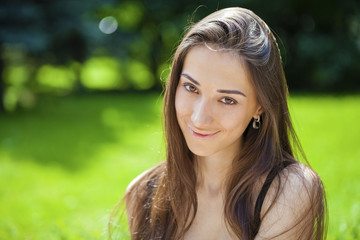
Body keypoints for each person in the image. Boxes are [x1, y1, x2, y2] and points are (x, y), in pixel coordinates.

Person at [121, 7, 327, 240]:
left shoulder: (289, 191)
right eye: (191, 87)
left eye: (227, 100)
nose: (199, 118)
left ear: (260, 106)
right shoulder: (143, 193)